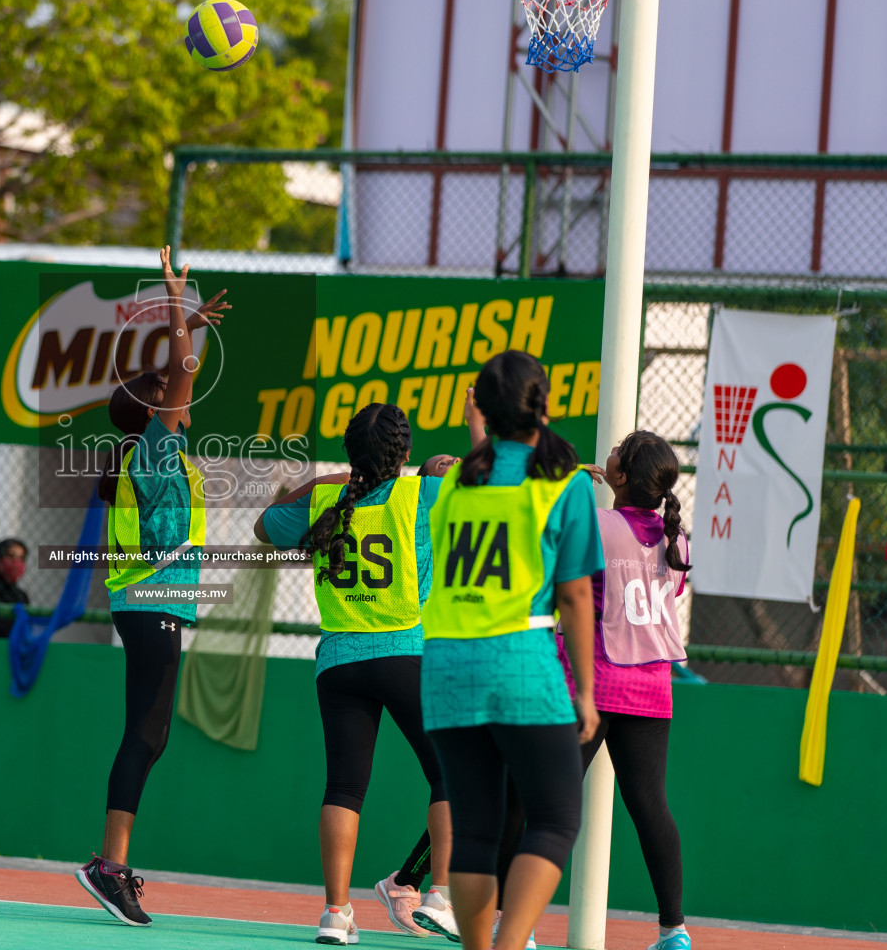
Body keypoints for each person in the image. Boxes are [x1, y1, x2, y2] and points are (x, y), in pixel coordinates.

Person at [252, 403, 463, 945]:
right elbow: (496, 488)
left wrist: (331, 478)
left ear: (350, 456)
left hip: (339, 660)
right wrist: (448, 465)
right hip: (404, 652)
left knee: (345, 785)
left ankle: (335, 914)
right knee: (450, 776)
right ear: (406, 454)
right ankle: (438, 894)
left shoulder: (326, 498)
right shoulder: (422, 495)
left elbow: (263, 525)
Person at [420, 352, 603, 950]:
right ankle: (508, 944)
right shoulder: (565, 484)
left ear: (484, 413)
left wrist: (480, 431)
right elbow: (575, 596)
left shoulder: (452, 484)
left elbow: (490, 470)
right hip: (519, 660)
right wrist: (585, 691)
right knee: (554, 818)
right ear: (542, 406)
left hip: (446, 665)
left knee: (474, 831)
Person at [75, 246, 230, 927]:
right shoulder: (156, 446)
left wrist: (188, 322)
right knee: (146, 732)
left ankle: (111, 861)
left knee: (149, 732)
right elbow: (183, 370)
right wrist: (179, 308)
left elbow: (179, 373)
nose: (179, 397)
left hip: (146, 604)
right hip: (151, 604)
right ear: (153, 407)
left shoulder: (153, 452)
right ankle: (109, 865)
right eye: (166, 393)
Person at [495, 431, 693, 950]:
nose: (612, 448)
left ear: (622, 476)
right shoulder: (678, 539)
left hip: (591, 682)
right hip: (651, 689)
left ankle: (515, 924)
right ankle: (674, 931)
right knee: (651, 805)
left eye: (620, 449)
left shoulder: (596, 523)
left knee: (533, 799)